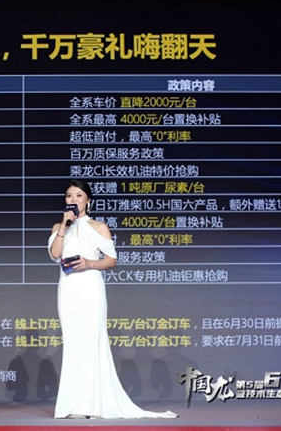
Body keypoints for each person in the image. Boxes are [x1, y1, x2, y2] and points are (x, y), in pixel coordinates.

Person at [47, 179, 177, 420]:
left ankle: (90, 404)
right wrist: (65, 226)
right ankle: (72, 404)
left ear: (88, 200)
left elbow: (111, 260)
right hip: (68, 290)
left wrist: (89, 263)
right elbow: (55, 254)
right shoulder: (59, 226)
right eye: (69, 195)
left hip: (90, 288)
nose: (73, 200)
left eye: (78, 195)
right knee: (74, 344)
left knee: (91, 343)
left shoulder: (99, 227)